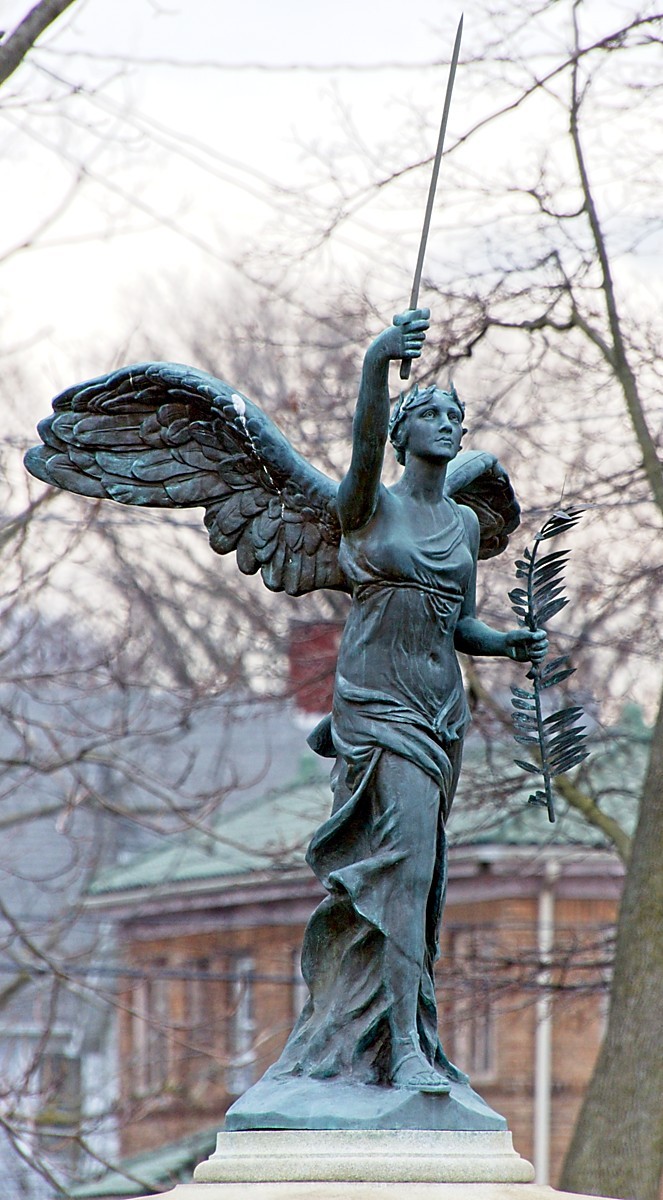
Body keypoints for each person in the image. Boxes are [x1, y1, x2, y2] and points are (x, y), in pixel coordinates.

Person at [267, 309, 547, 1094]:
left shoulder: (459, 523)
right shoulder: (366, 507)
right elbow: (359, 443)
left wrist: (503, 643)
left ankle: (398, 1036)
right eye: (431, 412)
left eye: (456, 415)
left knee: (422, 882)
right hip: (376, 704)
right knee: (404, 868)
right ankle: (405, 1049)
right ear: (401, 431)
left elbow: (455, 622)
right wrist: (375, 362)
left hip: (439, 709)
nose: (449, 424)